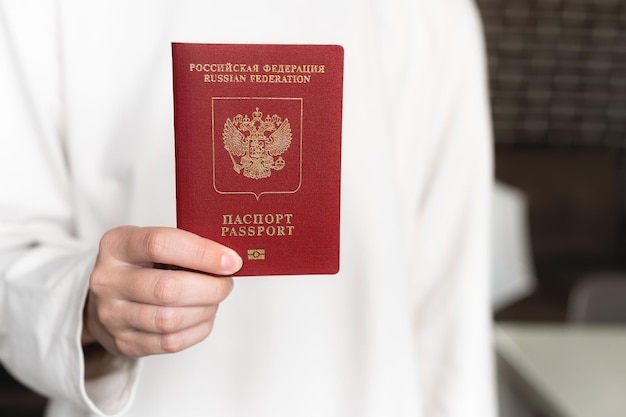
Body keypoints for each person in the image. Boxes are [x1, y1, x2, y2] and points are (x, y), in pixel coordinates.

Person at [0, 1, 496, 416]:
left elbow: (450, 288)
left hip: (364, 394)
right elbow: (11, 242)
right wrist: (85, 306)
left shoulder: (434, 12)